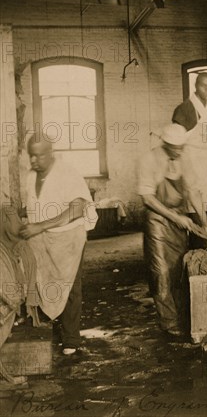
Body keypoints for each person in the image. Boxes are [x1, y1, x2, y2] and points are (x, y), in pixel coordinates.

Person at [20, 133, 96, 355]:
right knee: (43, 280)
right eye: (31, 156)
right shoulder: (30, 176)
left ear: (50, 153)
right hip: (42, 238)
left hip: (68, 237)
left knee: (70, 284)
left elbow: (77, 208)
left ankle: (71, 338)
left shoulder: (67, 173)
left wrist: (41, 226)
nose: (34, 161)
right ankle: (50, 325)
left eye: (39, 156)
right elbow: (36, 205)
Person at [137, 123, 207, 337]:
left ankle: (182, 317)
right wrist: (173, 217)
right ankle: (169, 322)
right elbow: (147, 197)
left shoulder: (184, 157)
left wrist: (205, 224)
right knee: (161, 271)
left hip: (179, 220)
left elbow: (193, 191)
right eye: (175, 147)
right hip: (158, 222)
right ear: (165, 143)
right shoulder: (149, 160)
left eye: (182, 147)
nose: (179, 151)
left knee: (178, 270)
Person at [171, 72, 207, 214]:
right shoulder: (184, 108)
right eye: (203, 85)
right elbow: (174, 137)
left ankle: (205, 231)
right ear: (196, 86)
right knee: (193, 205)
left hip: (204, 161)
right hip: (189, 160)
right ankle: (194, 234)